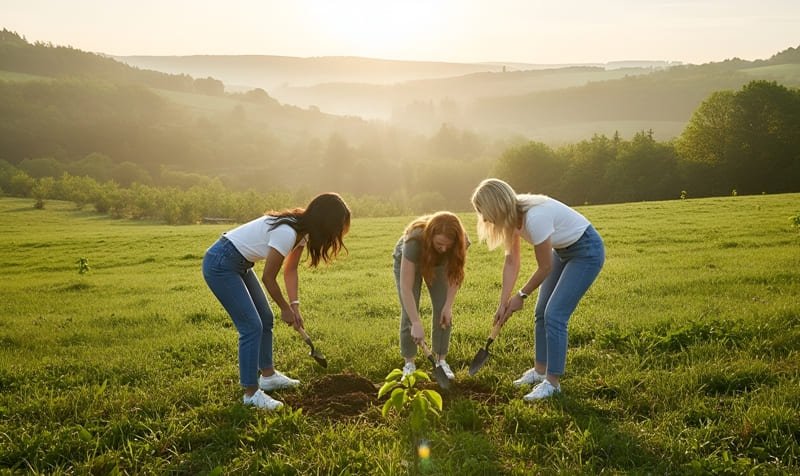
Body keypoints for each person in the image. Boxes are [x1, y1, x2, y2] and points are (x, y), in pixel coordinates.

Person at [202, 193, 350, 409]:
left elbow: (290, 271)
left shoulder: (301, 229)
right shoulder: (287, 232)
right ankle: (251, 393)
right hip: (221, 263)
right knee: (251, 326)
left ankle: (268, 375)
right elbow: (268, 277)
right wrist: (284, 308)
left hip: (239, 262)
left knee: (265, 318)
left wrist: (294, 306)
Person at [470, 178, 604, 400]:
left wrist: (521, 295)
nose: (484, 218)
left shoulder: (535, 217)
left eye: (484, 211)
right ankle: (539, 371)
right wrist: (503, 303)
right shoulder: (513, 217)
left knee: (555, 315)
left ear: (497, 205)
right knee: (541, 312)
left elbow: (545, 267)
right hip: (562, 251)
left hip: (586, 252)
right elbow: (512, 261)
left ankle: (552, 383)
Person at [393, 211, 468, 380]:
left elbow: (455, 274)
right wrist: (416, 323)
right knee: (409, 313)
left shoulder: (460, 242)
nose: (443, 249)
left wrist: (448, 306)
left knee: (443, 311)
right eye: (440, 243)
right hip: (410, 260)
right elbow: (406, 287)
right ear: (431, 236)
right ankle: (409, 364)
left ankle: (441, 361)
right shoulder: (414, 241)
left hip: (438, 265)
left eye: (448, 246)